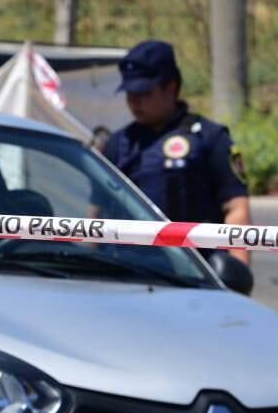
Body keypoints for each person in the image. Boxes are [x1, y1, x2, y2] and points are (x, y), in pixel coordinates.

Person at [101, 40, 252, 266]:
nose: (134, 102)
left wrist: (239, 274)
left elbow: (236, 210)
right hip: (129, 271)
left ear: (170, 87)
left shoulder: (209, 138)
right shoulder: (118, 144)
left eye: (144, 92)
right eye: (129, 93)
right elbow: (97, 215)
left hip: (197, 273)